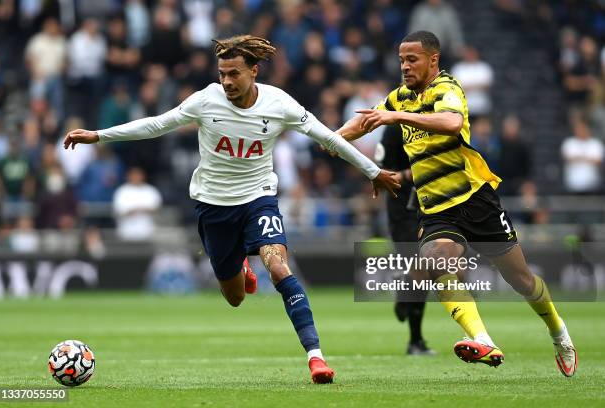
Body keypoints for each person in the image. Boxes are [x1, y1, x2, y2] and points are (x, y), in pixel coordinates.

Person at [63, 35, 401, 384]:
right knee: (235, 297)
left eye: (234, 74)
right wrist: (98, 135)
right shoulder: (205, 100)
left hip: (259, 198)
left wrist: (373, 172)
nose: (226, 81)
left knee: (279, 267)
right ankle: (240, 260)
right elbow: (155, 124)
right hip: (214, 206)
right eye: (222, 73)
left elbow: (328, 138)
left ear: (254, 71)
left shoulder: (279, 103)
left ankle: (316, 357)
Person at [336, 31, 577, 377]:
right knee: (435, 263)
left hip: (475, 200)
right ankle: (482, 339)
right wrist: (327, 136)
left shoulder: (447, 88)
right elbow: (362, 122)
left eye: (412, 59)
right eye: (401, 59)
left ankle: (559, 333)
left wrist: (397, 118)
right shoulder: (398, 98)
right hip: (435, 207)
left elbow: (452, 123)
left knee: (521, 280)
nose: (404, 66)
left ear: (433, 60)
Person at [376, 124, 435, 356]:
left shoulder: (434, 120)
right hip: (403, 210)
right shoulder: (393, 130)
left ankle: (415, 336)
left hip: (430, 206)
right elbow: (383, 173)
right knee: (420, 267)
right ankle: (415, 340)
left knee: (426, 270)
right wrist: (415, 173)